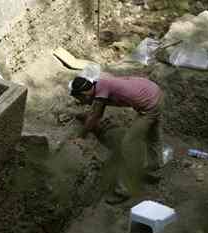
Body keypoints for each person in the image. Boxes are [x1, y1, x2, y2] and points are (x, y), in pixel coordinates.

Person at [69, 65, 164, 203]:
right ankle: (153, 170)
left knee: (128, 145)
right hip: (154, 92)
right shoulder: (101, 83)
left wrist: (80, 136)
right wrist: (82, 116)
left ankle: (124, 190)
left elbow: (95, 115)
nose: (82, 103)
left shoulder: (101, 92)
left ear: (84, 94)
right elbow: (95, 112)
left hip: (149, 106)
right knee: (153, 136)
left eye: (80, 100)